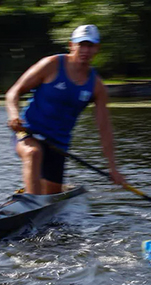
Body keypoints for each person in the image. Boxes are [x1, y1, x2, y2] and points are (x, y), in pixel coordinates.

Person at [5, 24, 125, 195]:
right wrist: (14, 116)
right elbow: (13, 93)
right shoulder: (50, 65)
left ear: (96, 48)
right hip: (28, 133)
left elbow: (104, 128)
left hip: (58, 145)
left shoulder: (96, 86)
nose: (85, 50)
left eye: (90, 45)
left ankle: (37, 197)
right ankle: (31, 203)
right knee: (33, 153)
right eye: (81, 44)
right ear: (71, 45)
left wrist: (113, 168)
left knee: (52, 195)